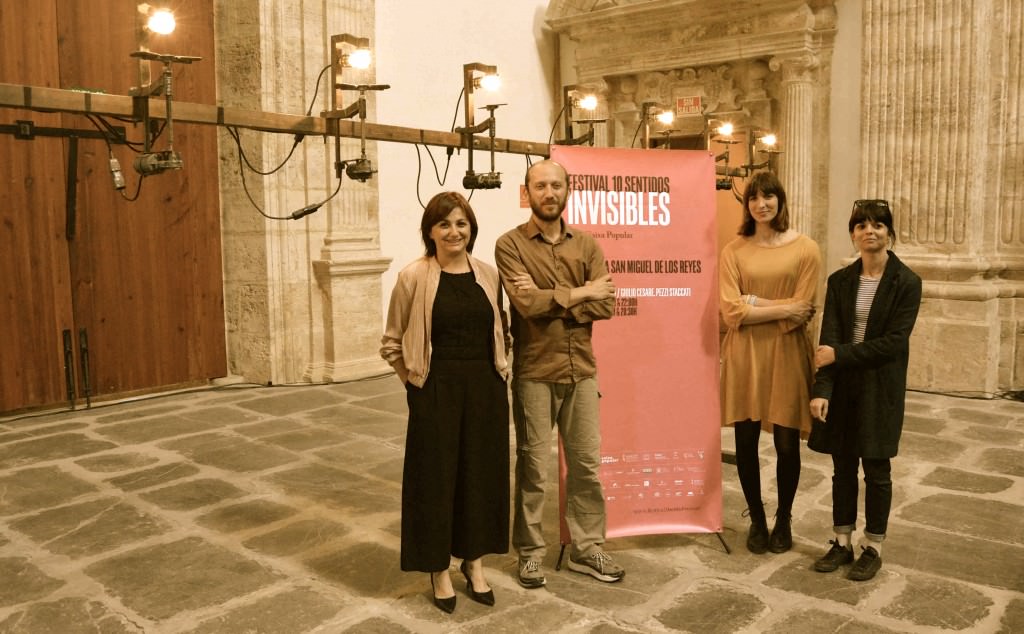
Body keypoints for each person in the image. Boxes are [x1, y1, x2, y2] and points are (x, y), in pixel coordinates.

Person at [494, 159, 624, 588]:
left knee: (586, 466)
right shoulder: (509, 245)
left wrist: (556, 299)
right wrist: (583, 292)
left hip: (582, 371)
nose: (548, 193)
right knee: (533, 466)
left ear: (568, 190)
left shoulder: (586, 245)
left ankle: (587, 549)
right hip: (535, 370)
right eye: (540, 186)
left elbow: (607, 305)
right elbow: (526, 305)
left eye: (556, 185)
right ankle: (530, 553)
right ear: (526, 192)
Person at [380, 191, 510, 614]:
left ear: (471, 230)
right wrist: (413, 386)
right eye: (444, 224)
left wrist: (501, 368)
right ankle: (437, 568)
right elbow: (391, 343)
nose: (454, 232)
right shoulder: (413, 276)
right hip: (436, 389)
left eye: (462, 224)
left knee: (479, 476)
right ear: (430, 232)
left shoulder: (488, 275)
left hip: (485, 389)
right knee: (434, 480)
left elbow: (501, 331)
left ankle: (473, 563)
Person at [809, 199, 922, 581]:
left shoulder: (906, 282)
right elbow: (828, 338)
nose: (869, 231)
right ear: (853, 234)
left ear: (890, 232)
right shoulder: (840, 281)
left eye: (877, 225)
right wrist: (821, 390)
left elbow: (893, 342)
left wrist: (838, 354)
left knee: (876, 469)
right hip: (843, 386)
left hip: (880, 387)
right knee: (842, 468)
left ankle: (873, 546)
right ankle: (841, 541)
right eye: (861, 225)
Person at [719, 171, 821, 555]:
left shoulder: (805, 248)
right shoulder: (734, 250)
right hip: (745, 353)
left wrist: (756, 302)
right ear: (747, 205)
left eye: (769, 197)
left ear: (781, 200)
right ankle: (758, 519)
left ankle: (784, 519)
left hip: (787, 350)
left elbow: (804, 310)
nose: (762, 204)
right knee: (745, 440)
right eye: (754, 198)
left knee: (786, 443)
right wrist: (777, 307)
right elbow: (730, 311)